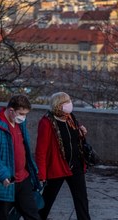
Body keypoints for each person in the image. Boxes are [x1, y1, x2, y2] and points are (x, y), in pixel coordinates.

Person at [0, 94, 41, 220]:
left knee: (33, 215)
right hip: (5, 181)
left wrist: (33, 170)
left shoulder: (20, 124)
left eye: (25, 114)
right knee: (1, 216)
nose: (23, 117)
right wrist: (3, 174)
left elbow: (24, 149)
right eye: (21, 113)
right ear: (11, 110)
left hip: (23, 179)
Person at [35, 92, 91, 220]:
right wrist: (41, 175)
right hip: (57, 167)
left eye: (69, 100)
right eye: (66, 102)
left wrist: (81, 133)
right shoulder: (47, 122)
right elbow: (41, 151)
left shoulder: (70, 118)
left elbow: (74, 140)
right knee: (47, 200)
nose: (69, 104)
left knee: (82, 200)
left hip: (76, 166)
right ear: (58, 105)